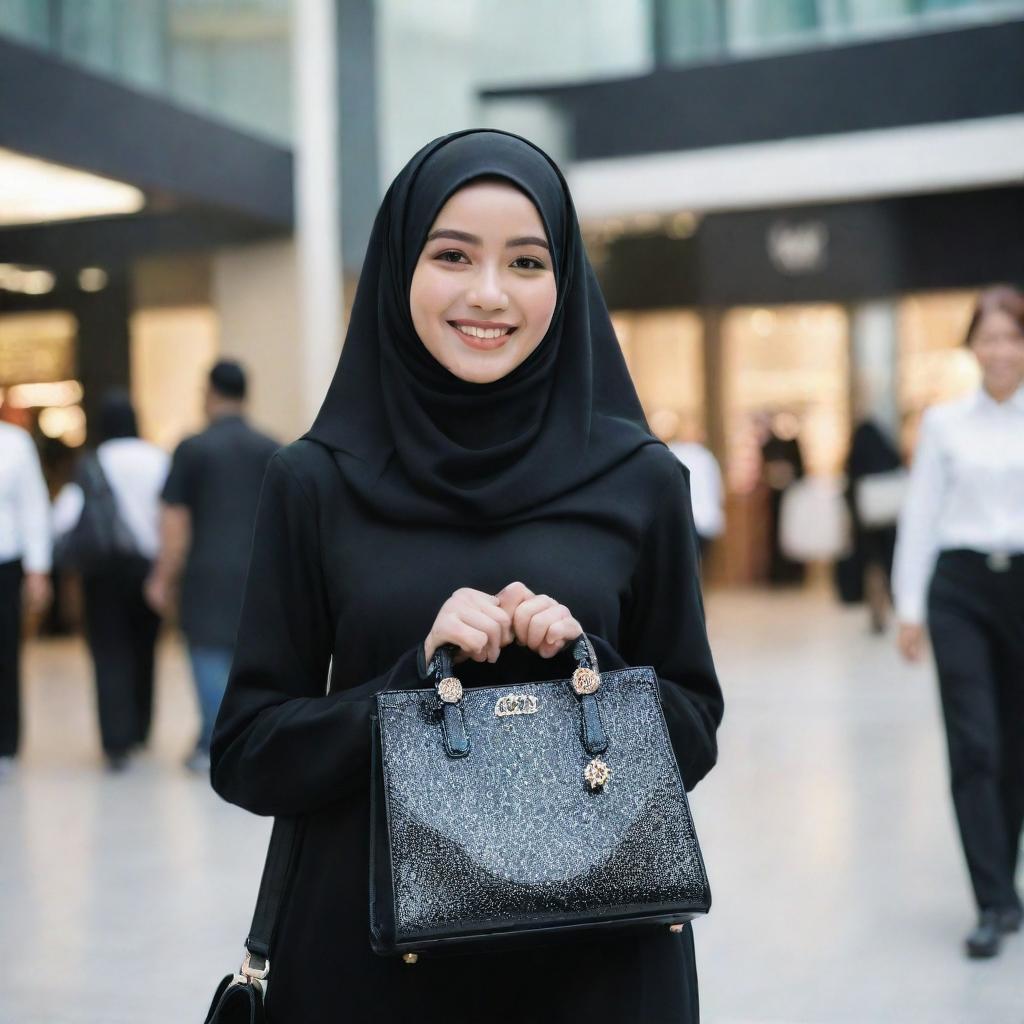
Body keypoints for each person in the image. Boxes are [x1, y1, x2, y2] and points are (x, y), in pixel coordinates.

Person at [210, 130, 723, 1023]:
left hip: (601, 970)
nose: (489, 294)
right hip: (373, 972)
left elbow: (696, 729)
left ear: (564, 279)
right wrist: (414, 681)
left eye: (526, 261)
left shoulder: (639, 479)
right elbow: (251, 754)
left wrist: (587, 661)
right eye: (453, 255)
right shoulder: (317, 482)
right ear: (400, 265)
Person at [894, 284, 1024, 959]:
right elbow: (920, 516)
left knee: (1015, 747)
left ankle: (1004, 877)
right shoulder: (946, 422)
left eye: (1012, 336)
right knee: (975, 744)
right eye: (989, 336)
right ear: (972, 346)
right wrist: (909, 608)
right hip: (961, 592)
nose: (1000, 349)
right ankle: (993, 900)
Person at [146, 361, 278, 773]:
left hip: (206, 568)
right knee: (253, 657)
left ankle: (213, 743)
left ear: (210, 393)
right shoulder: (271, 448)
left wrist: (163, 575)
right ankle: (251, 739)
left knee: (206, 654)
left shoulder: (193, 448)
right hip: (260, 569)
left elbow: (175, 521)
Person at [53, 393, 168, 771]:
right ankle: (140, 728)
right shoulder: (157, 459)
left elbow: (65, 518)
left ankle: (115, 742)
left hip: (102, 573)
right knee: (144, 649)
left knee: (109, 652)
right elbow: (170, 516)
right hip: (148, 569)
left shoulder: (91, 463)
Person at [0, 417, 52, 777]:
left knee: (4, 653)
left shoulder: (15, 443)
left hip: (5, 561)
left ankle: (4, 743)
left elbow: (33, 507)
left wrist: (38, 570)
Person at [844, 418, 902, 633]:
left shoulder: (855, 458)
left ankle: (876, 610)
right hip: (888, 524)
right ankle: (887, 606)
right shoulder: (887, 454)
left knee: (872, 568)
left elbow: (849, 490)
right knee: (887, 566)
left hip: (865, 525)